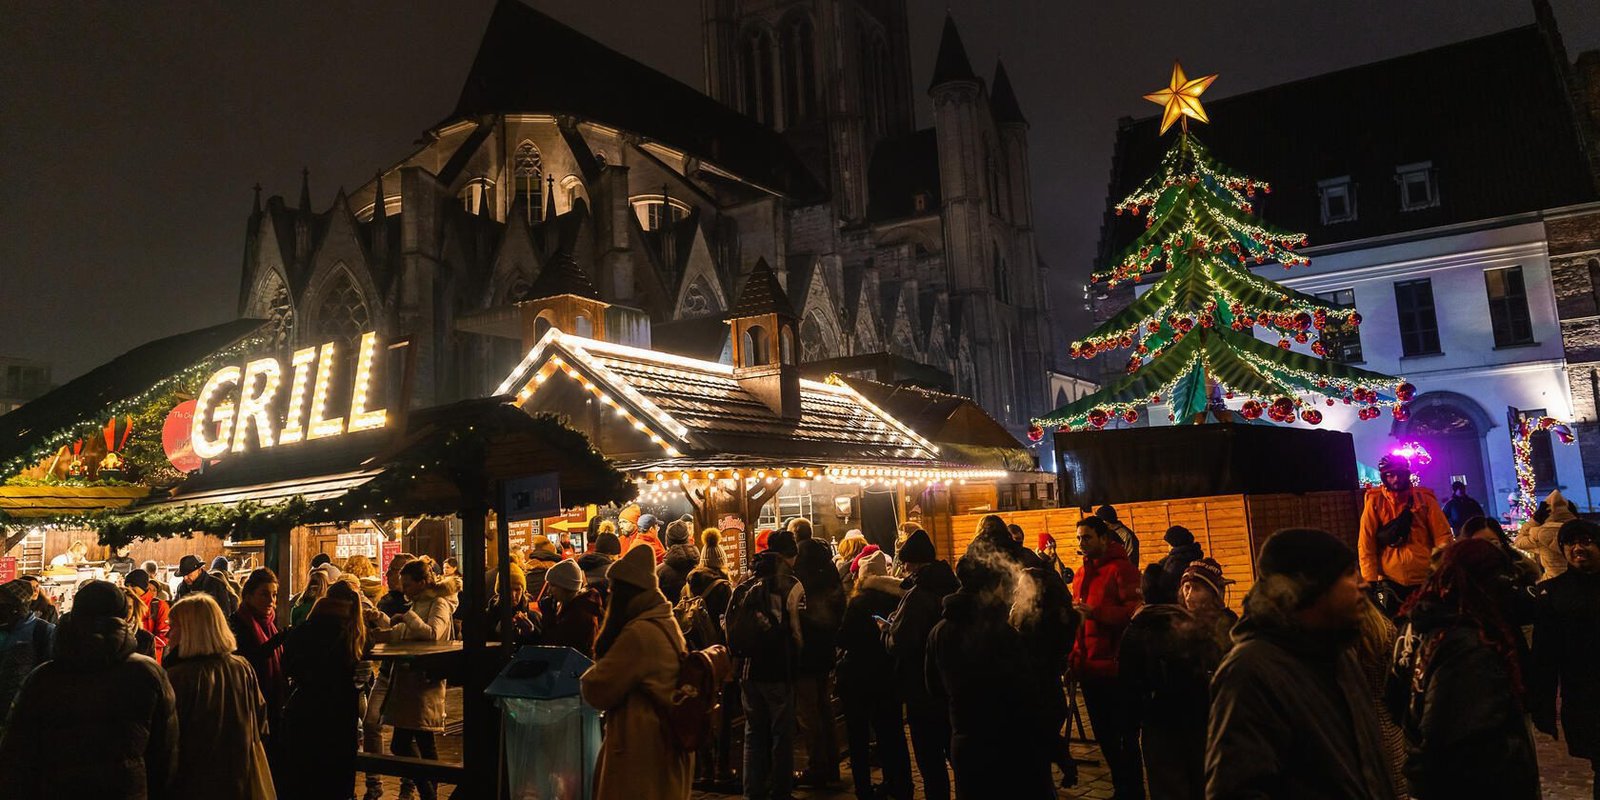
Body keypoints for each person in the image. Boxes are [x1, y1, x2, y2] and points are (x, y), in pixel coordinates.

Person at [1206, 528, 1398, 799]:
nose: (1363, 583)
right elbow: (1236, 789)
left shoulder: (1340, 655)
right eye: (1348, 574)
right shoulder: (1250, 672)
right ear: (1310, 589)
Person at [0, 580, 178, 799]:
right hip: (125, 790)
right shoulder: (148, 675)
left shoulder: (43, 678)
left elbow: (18, 756)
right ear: (123, 616)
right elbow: (165, 754)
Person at [1389, 538, 1539, 797]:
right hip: (1476, 784)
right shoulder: (1466, 643)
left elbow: (1395, 698)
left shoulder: (1420, 624)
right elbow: (1455, 735)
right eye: (1501, 578)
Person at [928, 550, 1054, 798]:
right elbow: (1026, 695)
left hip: (964, 740)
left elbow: (934, 688)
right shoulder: (1002, 634)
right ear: (991, 588)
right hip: (1006, 743)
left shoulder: (939, 631)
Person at [577, 543, 694, 799]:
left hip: (641, 752)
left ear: (625, 593)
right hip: (664, 750)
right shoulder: (665, 621)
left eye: (613, 590)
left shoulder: (639, 634)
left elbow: (596, 688)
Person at [165, 593, 272, 799]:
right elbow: (261, 723)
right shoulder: (242, 667)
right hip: (240, 775)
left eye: (174, 626)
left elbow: (169, 740)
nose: (169, 634)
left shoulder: (178, 677)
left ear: (191, 631)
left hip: (194, 782)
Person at [370, 559, 460, 800]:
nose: (404, 589)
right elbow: (405, 633)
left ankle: (428, 793)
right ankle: (428, 793)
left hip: (423, 682)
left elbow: (432, 634)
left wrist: (407, 618)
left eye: (408, 584)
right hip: (409, 683)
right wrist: (381, 619)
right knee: (422, 741)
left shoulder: (438, 603)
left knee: (408, 743)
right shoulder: (418, 604)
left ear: (422, 583)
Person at [1068, 515, 1144, 799]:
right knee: (1104, 737)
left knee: (1124, 738)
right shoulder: (1079, 575)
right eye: (1078, 538)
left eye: (1086, 537)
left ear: (1103, 538)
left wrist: (1096, 613)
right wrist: (1073, 656)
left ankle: (1133, 791)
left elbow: (1134, 613)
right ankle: (1120, 788)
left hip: (1115, 669)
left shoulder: (1122, 571)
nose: (1081, 543)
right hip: (1088, 668)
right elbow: (1080, 623)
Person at [728, 528, 806, 800]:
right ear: (787, 556)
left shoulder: (743, 584)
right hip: (779, 668)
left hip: (748, 669)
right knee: (781, 734)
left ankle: (753, 792)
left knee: (753, 733)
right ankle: (781, 791)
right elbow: (797, 633)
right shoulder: (791, 585)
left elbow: (730, 626)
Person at [884, 527, 957, 800]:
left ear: (912, 563)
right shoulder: (953, 585)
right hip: (950, 686)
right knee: (956, 756)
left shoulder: (917, 596)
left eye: (905, 562)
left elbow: (901, 643)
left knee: (930, 762)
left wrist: (886, 631)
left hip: (921, 688)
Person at [1530, 518, 1600, 797]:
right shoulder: (1553, 593)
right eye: (1569, 543)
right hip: (1587, 698)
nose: (1577, 548)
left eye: (1585, 540)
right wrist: (1543, 708)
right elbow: (1545, 657)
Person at [836, 550, 913, 800]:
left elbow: (844, 637)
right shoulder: (899, 599)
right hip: (888, 675)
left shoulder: (859, 602)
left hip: (857, 676)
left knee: (857, 737)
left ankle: (863, 789)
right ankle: (899, 784)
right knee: (891, 733)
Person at [283, 579, 367, 800]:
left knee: (305, 778)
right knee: (337, 780)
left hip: (305, 710)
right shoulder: (355, 633)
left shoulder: (305, 628)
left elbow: (288, 665)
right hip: (341, 714)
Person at [1357, 454, 1452, 614]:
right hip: (1390, 581)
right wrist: (1370, 581)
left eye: (1399, 474)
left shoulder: (1424, 499)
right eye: (1390, 475)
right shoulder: (1375, 501)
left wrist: (1442, 569)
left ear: (1406, 475)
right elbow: (1366, 544)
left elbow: (1442, 537)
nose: (1395, 479)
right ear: (1383, 477)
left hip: (1424, 577)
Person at [789, 517, 844, 789]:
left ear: (795, 536)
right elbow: (838, 602)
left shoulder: (797, 568)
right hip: (826, 647)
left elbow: (796, 610)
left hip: (806, 650)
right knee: (825, 708)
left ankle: (817, 767)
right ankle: (832, 764)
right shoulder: (828, 564)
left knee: (808, 712)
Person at [229, 567, 288, 783]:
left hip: (272, 701)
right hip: (250, 703)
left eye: (274, 594)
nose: (271, 600)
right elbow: (244, 661)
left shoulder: (270, 625)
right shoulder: (237, 624)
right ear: (249, 595)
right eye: (264, 594)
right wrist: (276, 643)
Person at [1355, 588, 1408, 800]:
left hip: (1360, 725)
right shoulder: (1386, 630)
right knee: (1398, 784)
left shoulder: (1342, 638)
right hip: (1389, 723)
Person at [0, 579, 53, 734]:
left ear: (17, 607)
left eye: (3, 605)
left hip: (25, 716)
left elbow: (49, 673)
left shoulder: (43, 631)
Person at [539, 559, 603, 658]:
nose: (549, 591)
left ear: (566, 587)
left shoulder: (579, 614)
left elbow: (556, 646)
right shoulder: (572, 606)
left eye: (552, 585)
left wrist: (548, 616)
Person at [1516, 488, 1576, 579]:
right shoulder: (1581, 532)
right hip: (1581, 580)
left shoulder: (1539, 535)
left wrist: (1534, 520)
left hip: (1552, 581)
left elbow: (1519, 542)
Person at [1144, 525, 1204, 605]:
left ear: (1174, 544)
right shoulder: (1194, 555)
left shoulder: (1176, 562)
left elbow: (1166, 585)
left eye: (1168, 544)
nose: (1168, 547)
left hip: (1172, 604)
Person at [125, 569, 170, 663]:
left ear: (144, 587)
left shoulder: (159, 606)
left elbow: (164, 637)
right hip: (127, 658)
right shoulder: (124, 604)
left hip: (150, 660)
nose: (129, 588)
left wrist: (144, 644)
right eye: (127, 585)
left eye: (133, 585)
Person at [657, 519, 700, 603]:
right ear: (688, 539)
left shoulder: (659, 572)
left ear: (667, 542)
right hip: (696, 615)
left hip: (670, 615)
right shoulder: (701, 567)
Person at [580, 530, 622, 604]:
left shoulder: (581, 566)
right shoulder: (612, 573)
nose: (618, 558)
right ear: (610, 554)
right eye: (617, 555)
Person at [124, 585, 157, 658]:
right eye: (123, 606)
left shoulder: (146, 638)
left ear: (134, 610)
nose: (126, 611)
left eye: (129, 607)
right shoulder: (104, 635)